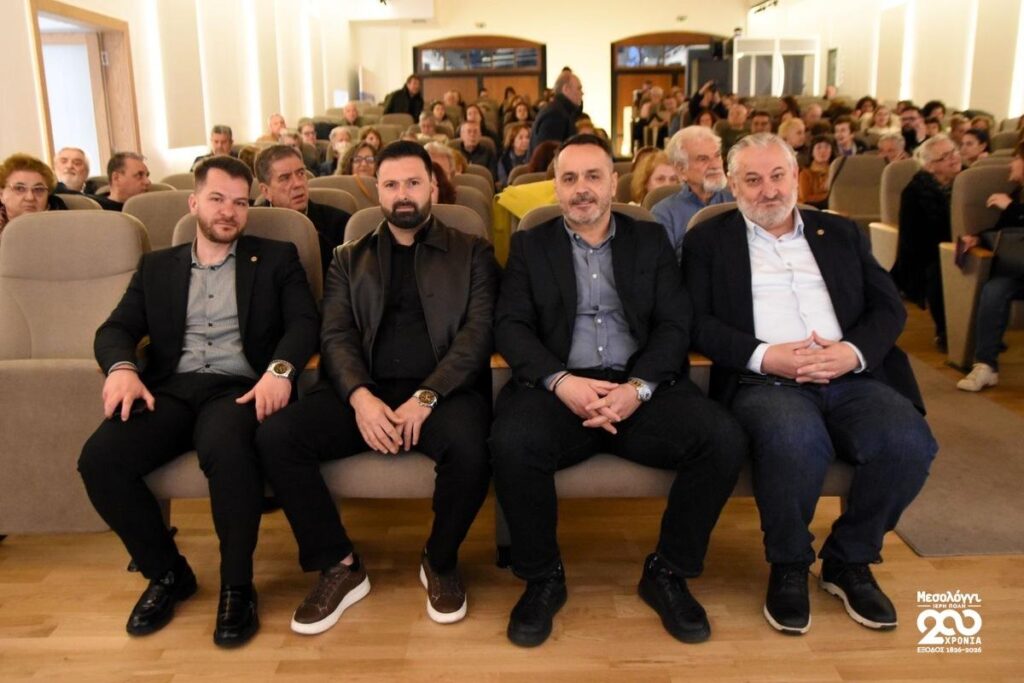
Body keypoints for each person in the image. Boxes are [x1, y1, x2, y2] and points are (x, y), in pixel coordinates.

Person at [490, 134, 746, 648]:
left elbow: (675, 324)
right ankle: (542, 577)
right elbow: (511, 327)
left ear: (613, 183)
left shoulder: (649, 240)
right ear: (556, 188)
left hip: (640, 387)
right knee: (510, 443)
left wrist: (638, 387)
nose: (581, 189)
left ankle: (668, 571)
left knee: (722, 439)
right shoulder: (530, 245)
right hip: (563, 388)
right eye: (569, 179)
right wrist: (561, 382)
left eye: (592, 176)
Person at [682, 132, 937, 637]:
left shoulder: (840, 232)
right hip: (766, 381)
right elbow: (695, 322)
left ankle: (849, 558)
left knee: (909, 442)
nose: (768, 190)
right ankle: (790, 564)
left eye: (778, 176)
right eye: (753, 180)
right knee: (795, 441)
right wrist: (765, 356)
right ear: (732, 185)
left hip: (850, 374)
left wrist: (851, 352)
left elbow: (888, 307)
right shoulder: (708, 241)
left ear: (796, 176)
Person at [254, 140, 498, 634]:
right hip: (363, 390)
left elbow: (477, 336)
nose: (403, 194)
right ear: (378, 192)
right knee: (276, 436)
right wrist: (360, 397)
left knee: (474, 448)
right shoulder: (348, 257)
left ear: (433, 187)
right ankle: (339, 565)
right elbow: (335, 336)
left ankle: (440, 559)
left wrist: (426, 397)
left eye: (413, 182)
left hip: (441, 393)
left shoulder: (472, 251)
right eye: (391, 185)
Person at [77, 155, 319, 647]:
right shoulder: (157, 267)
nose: (228, 211)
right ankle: (167, 573)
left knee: (229, 453)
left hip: (238, 387)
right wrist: (122, 368)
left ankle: (237, 585)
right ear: (193, 204)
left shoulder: (277, 257)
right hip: (169, 388)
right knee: (99, 460)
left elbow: (304, 323)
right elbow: (116, 329)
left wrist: (280, 371)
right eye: (217, 199)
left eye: (239, 202)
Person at [956, 142, 1024, 391]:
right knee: (994, 291)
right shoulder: (1016, 192)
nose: (1011, 164)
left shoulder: (1012, 201)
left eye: (1017, 158)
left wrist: (1012, 208)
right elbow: (1002, 233)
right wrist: (977, 238)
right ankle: (985, 366)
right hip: (1017, 269)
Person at [892, 134, 962, 349]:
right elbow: (913, 240)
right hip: (927, 254)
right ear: (930, 166)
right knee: (938, 270)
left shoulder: (969, 181)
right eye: (945, 156)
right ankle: (945, 330)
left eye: (954, 151)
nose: (954, 158)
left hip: (964, 246)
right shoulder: (914, 192)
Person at [255, 145, 351, 280]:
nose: (298, 184)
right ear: (266, 191)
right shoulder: (253, 227)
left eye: (300, 173)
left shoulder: (341, 224)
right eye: (285, 178)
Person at [651, 126, 734, 262]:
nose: (715, 165)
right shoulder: (664, 214)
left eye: (717, 156)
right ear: (681, 169)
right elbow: (661, 268)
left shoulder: (737, 202)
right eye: (703, 159)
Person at [0, 153, 68, 235]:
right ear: (1, 195)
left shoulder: (65, 228)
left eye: (39, 189)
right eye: (19, 188)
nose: (30, 197)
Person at [529, 71, 583, 154]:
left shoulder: (557, 110)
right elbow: (549, 153)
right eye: (579, 88)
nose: (582, 93)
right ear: (566, 89)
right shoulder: (556, 115)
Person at [798, 134, 836, 209]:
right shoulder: (805, 174)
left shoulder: (836, 171)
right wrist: (829, 195)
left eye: (827, 147)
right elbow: (805, 198)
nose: (823, 151)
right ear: (812, 152)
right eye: (819, 147)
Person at [498, 123, 531, 188]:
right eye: (520, 138)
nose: (525, 141)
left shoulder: (533, 156)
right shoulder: (504, 160)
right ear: (512, 141)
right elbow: (504, 182)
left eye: (527, 137)